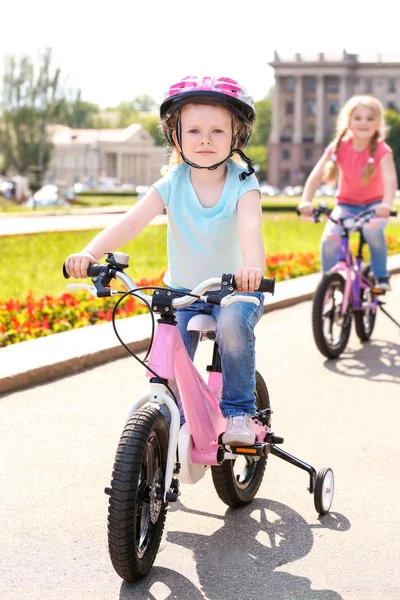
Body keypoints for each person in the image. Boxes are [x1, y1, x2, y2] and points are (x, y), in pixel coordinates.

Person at [64, 75, 266, 446]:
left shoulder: (243, 182)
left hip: (234, 291)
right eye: (194, 130)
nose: (205, 139)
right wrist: (90, 254)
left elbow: (251, 229)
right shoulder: (173, 181)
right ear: (176, 136)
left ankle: (238, 411)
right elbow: (132, 221)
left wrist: (252, 269)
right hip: (184, 291)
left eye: (217, 131)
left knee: (235, 326)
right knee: (168, 353)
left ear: (237, 137)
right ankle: (173, 417)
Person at [298, 94, 398, 291]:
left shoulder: (381, 149)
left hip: (374, 206)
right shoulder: (339, 146)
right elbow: (317, 175)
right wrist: (305, 200)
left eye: (370, 118)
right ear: (349, 121)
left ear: (378, 124)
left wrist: (386, 205)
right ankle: (328, 283)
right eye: (358, 117)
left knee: (372, 231)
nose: (363, 122)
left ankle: (381, 276)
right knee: (329, 241)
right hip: (345, 206)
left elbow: (390, 179)